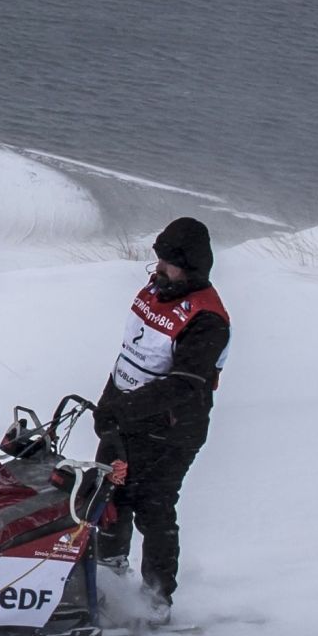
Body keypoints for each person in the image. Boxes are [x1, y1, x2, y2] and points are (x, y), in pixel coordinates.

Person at [94, 216, 230, 611]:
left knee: (153, 507)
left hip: (172, 429)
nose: (158, 268)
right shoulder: (153, 291)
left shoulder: (207, 319)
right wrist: (108, 403)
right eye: (157, 260)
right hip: (128, 417)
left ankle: (156, 600)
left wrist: (125, 409)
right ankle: (107, 580)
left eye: (167, 262)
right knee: (107, 495)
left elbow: (185, 384)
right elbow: (131, 356)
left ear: (188, 266)